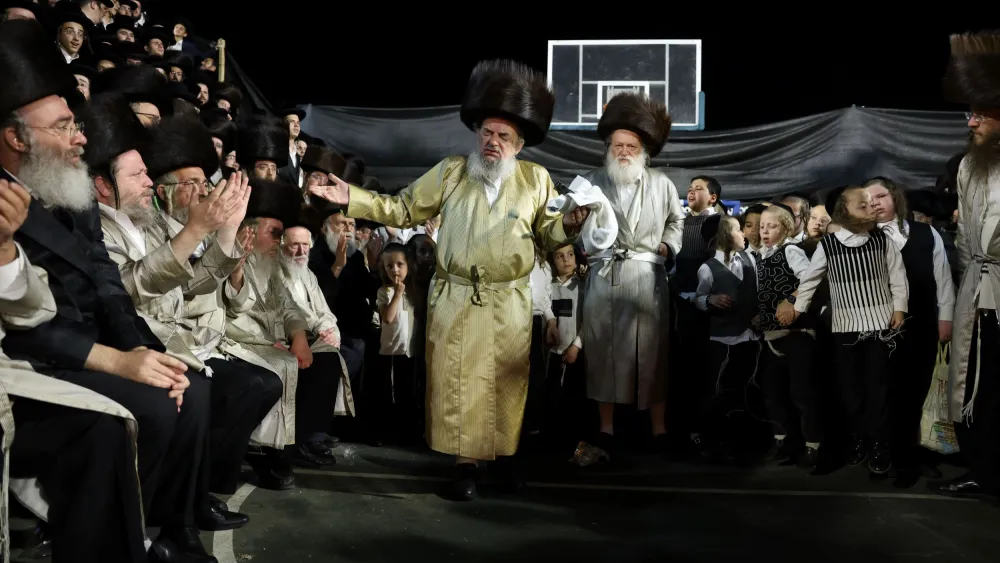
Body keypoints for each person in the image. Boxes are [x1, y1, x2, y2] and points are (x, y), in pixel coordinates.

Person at [309, 59, 588, 501]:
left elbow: (549, 232)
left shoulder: (537, 179)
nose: (492, 142)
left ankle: (505, 459)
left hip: (509, 300)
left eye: (502, 136)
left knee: (508, 381)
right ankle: (465, 468)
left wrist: (570, 223)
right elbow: (402, 209)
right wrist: (353, 197)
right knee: (460, 381)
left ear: (518, 143)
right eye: (486, 133)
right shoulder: (453, 171)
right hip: (456, 296)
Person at [0, 19, 215, 562]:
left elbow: (108, 288)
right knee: (148, 411)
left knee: (185, 388)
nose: (81, 139)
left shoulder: (71, 188)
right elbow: (28, 326)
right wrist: (117, 364)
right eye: (65, 126)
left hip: (85, 346)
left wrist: (144, 352)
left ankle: (160, 528)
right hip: (38, 362)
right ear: (14, 137)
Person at [579, 92, 684, 454]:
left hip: (647, 279)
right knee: (602, 351)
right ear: (608, 148)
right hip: (605, 276)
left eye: (631, 146)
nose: (623, 151)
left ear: (643, 151)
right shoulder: (591, 181)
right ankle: (606, 427)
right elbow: (572, 223)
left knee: (653, 352)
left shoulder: (662, 184)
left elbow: (676, 220)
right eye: (618, 145)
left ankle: (658, 428)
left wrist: (668, 246)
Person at [930, 31, 1000, 501]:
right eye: (968, 114)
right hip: (978, 287)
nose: (970, 122)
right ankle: (984, 468)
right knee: (976, 382)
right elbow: (965, 239)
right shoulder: (967, 165)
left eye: (979, 114)